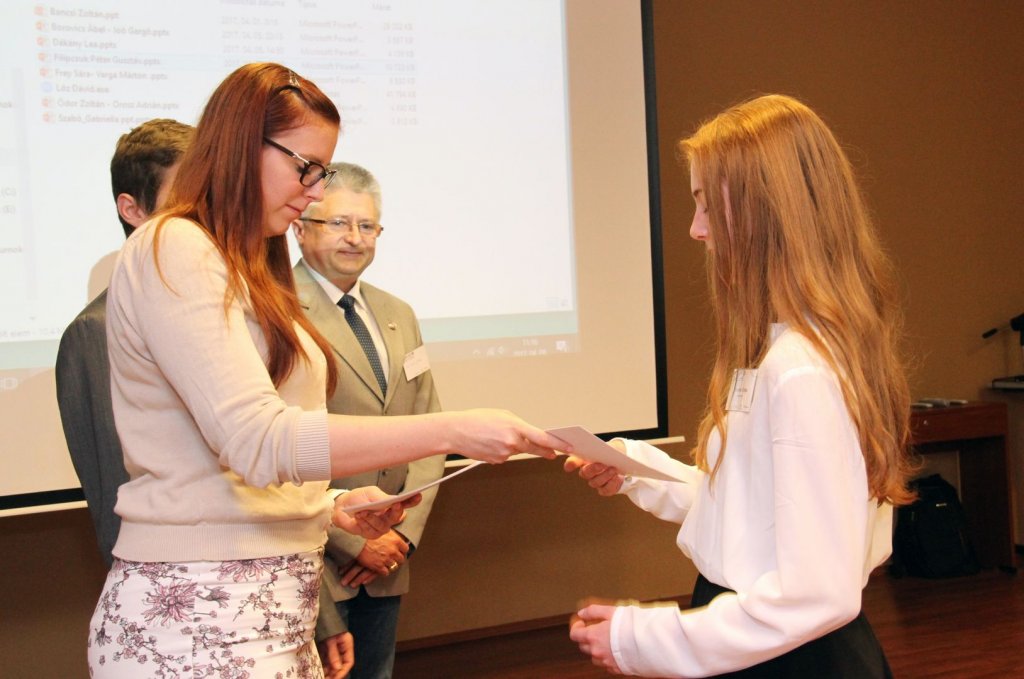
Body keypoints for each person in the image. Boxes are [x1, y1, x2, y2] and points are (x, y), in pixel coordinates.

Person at [86, 62, 567, 678]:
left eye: (323, 172)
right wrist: (452, 430)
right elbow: (256, 439)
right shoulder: (173, 245)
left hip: (277, 606)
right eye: (305, 168)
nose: (315, 192)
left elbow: (234, 465)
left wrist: (331, 504)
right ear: (241, 146)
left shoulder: (249, 263)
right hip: (198, 613)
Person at [566, 94, 913, 678]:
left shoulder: (800, 369)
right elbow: (753, 510)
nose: (695, 229)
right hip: (771, 644)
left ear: (768, 211)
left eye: (707, 204)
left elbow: (816, 595)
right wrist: (635, 471)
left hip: (793, 657)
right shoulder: (786, 349)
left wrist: (643, 637)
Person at [293, 162, 443, 679]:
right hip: (311, 556)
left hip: (388, 561)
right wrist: (357, 542)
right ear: (300, 228)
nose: (354, 238)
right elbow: (275, 444)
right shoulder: (276, 308)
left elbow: (429, 428)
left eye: (367, 226)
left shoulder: (398, 312)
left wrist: (401, 537)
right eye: (338, 223)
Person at [56, 118, 194, 568]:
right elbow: (114, 492)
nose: (204, 219)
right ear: (132, 209)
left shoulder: (222, 307)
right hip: (169, 581)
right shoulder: (95, 330)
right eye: (184, 202)